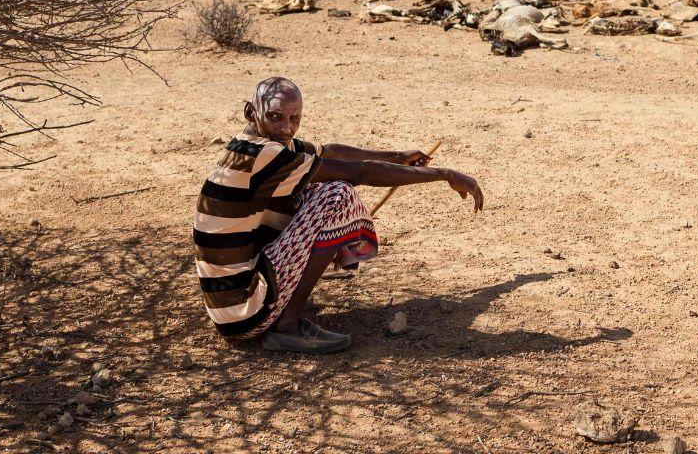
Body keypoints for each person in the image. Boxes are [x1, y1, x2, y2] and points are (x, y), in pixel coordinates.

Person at [193, 77, 484, 353]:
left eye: (294, 119)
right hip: (245, 313)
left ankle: (283, 306)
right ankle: (287, 324)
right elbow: (359, 172)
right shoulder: (266, 155)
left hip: (230, 311)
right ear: (250, 111)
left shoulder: (254, 145)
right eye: (276, 117)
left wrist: (396, 156)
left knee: (312, 185)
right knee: (337, 197)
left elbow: (329, 152)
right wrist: (443, 174)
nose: (286, 128)